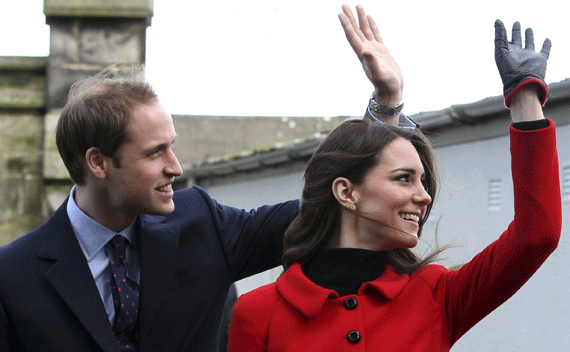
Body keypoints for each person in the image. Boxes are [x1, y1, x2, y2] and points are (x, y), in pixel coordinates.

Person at [0, 5, 414, 352]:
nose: (175, 167)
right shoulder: (12, 275)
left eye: (172, 146)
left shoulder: (202, 224)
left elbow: (329, 209)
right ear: (98, 162)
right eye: (154, 152)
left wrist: (385, 107)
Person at [227, 9, 561, 352]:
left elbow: (537, 235)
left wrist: (524, 98)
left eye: (423, 182)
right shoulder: (258, 313)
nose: (424, 197)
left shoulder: (436, 295)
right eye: (404, 179)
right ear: (346, 192)